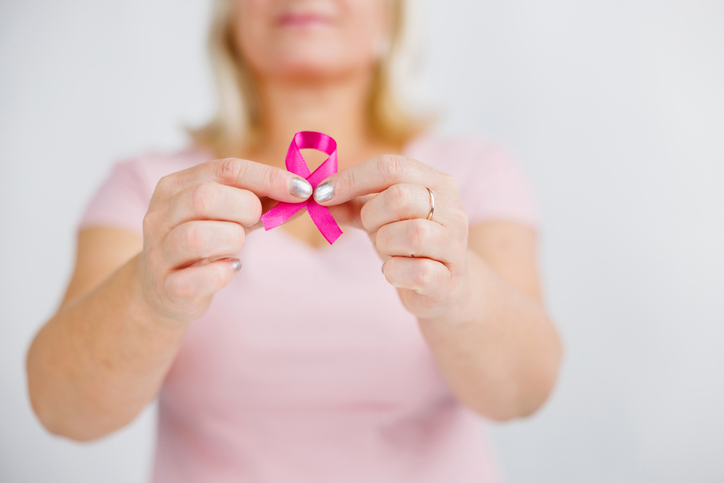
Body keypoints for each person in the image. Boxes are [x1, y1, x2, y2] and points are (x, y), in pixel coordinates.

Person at [26, 0, 562, 481]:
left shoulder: (472, 175)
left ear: (390, 15)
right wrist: (150, 292)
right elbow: (63, 411)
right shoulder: (150, 189)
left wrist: (457, 289)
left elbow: (522, 394)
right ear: (230, 19)